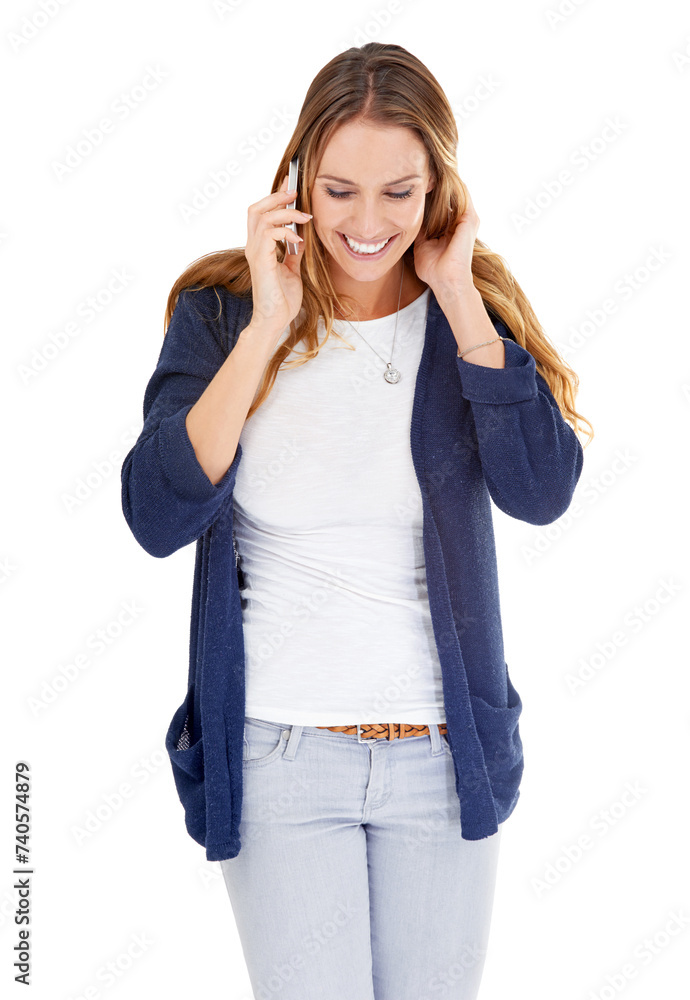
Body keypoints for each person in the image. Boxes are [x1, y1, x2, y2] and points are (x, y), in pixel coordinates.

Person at [121, 42, 591, 1000]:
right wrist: (269, 328)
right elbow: (157, 513)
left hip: (444, 758)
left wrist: (458, 296)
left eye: (398, 193)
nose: (367, 223)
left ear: (439, 189)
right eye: (338, 191)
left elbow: (542, 492)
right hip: (279, 756)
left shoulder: (471, 314)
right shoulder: (223, 315)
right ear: (297, 178)